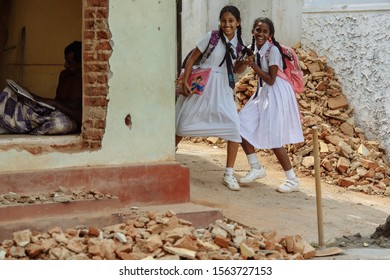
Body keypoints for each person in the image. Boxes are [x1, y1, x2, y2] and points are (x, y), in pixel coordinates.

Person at [175, 5, 246, 191]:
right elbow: (192, 59)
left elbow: (238, 71)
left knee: (234, 128)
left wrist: (245, 63)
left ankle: (229, 173)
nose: (227, 24)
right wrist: (184, 82)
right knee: (182, 125)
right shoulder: (211, 37)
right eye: (224, 20)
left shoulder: (240, 44)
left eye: (231, 21)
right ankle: (168, 158)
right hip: (203, 84)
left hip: (223, 87)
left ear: (238, 23)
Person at [235, 17, 304, 193]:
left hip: (277, 93)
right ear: (253, 31)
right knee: (239, 125)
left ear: (270, 35)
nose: (261, 34)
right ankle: (256, 167)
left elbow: (271, 79)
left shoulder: (273, 51)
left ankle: (292, 180)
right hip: (263, 93)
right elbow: (238, 70)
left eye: (265, 31)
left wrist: (252, 65)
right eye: (258, 30)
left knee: (274, 137)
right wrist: (243, 59)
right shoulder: (252, 49)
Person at [0, 40, 82, 135]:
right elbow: (55, 103)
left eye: (69, 62)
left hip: (68, 120)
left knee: (60, 125)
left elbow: (81, 116)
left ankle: (33, 129)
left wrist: (56, 104)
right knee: (10, 92)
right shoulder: (63, 75)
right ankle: (6, 124)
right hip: (51, 113)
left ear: (80, 63)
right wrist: (29, 94)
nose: (65, 65)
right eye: (65, 61)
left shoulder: (85, 82)